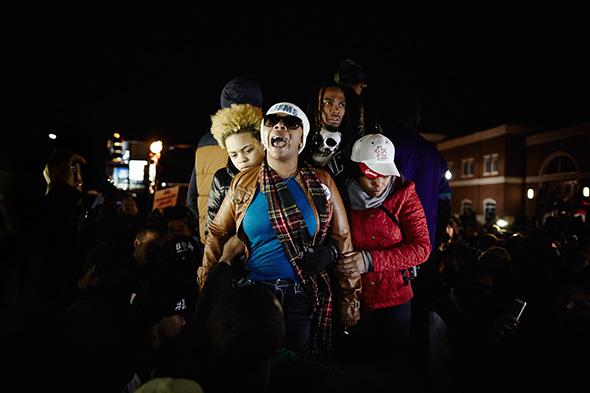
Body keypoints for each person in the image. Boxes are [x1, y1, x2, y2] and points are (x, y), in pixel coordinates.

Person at [199, 102, 360, 358]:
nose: (280, 125)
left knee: (296, 373)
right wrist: (208, 286)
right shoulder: (243, 182)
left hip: (302, 294)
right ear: (264, 136)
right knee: (255, 370)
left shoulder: (323, 182)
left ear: (300, 140)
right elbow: (217, 233)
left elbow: (343, 241)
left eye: (291, 123)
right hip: (255, 295)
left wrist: (350, 297)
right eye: (272, 121)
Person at [337, 134, 431, 361]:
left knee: (394, 366)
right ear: (357, 170)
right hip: (356, 301)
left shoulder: (405, 196)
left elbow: (422, 248)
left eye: (385, 175)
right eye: (371, 176)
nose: (379, 183)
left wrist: (369, 260)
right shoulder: (339, 197)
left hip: (396, 302)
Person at [187, 76, 263, 246]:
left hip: (209, 242)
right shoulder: (260, 138)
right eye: (234, 154)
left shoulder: (203, 142)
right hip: (248, 246)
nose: (241, 159)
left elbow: (191, 199)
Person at [302, 82, 356, 186]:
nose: (336, 110)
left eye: (341, 105)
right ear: (316, 105)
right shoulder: (300, 140)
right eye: (328, 103)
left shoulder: (351, 146)